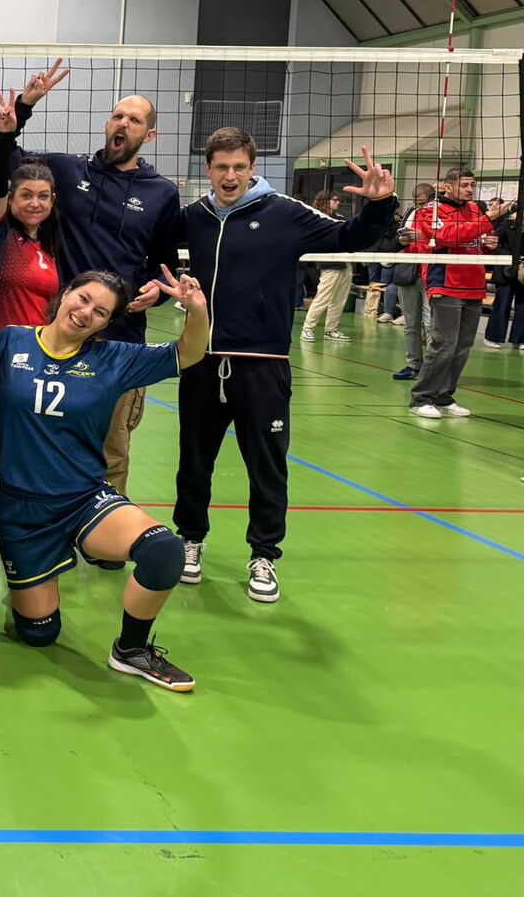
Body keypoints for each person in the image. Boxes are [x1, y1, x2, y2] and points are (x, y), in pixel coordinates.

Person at [166, 130, 397, 603]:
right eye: (221, 167)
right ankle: (190, 539)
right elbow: (153, 251)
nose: (230, 176)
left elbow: (348, 238)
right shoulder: (194, 217)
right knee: (193, 460)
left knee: (267, 466)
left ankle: (264, 554)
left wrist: (378, 205)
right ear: (208, 170)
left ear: (252, 169)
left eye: (239, 167)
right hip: (202, 360)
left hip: (263, 364)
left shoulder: (285, 212)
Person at [0, 267, 207, 691]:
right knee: (39, 633)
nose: (86, 313)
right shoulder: (12, 342)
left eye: (100, 312)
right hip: (23, 512)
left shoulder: (113, 358)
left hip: (84, 499)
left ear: (105, 324)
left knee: (164, 552)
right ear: (66, 293)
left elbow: (188, 353)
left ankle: (131, 649)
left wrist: (197, 310)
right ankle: (34, 583)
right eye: (83, 299)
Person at [0, 59, 182, 496]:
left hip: (120, 340)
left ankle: (107, 521)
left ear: (149, 135)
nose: (123, 123)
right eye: (117, 116)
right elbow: (1, 159)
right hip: (57, 334)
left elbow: (164, 266)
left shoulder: (162, 192)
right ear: (106, 124)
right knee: (44, 439)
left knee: (111, 450)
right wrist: (23, 108)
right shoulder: (67, 170)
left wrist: (155, 293)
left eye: (134, 120)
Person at [0, 92, 62, 359]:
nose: (35, 203)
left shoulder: (49, 245)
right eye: (26, 195)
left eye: (43, 196)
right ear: (10, 199)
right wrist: (6, 135)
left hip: (37, 353)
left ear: (52, 201)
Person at [408, 168, 504, 418]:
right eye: (464, 185)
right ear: (448, 186)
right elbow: (449, 237)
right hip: (446, 283)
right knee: (444, 345)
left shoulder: (473, 209)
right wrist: (488, 219)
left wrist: (488, 245)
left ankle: (444, 396)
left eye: (472, 185)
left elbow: (475, 242)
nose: (470, 190)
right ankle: (421, 398)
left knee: (462, 347)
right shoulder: (431, 210)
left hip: (473, 285)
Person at [391, 183, 436, 380]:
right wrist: (401, 240)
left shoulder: (439, 214)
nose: (419, 206)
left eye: (423, 202)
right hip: (408, 271)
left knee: (431, 324)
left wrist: (424, 236)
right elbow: (396, 240)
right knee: (410, 324)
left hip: (430, 273)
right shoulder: (410, 212)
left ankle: (433, 369)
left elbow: (446, 240)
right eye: (416, 202)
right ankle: (413, 365)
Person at [300, 190, 352, 343]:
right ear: (325, 201)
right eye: (335, 200)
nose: (338, 203)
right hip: (328, 263)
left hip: (345, 261)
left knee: (340, 299)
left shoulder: (340, 218)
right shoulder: (316, 218)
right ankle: (307, 328)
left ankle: (331, 329)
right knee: (323, 297)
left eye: (338, 200)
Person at [482, 199, 522, 350]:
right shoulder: (507, 223)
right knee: (502, 304)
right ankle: (492, 337)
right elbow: (493, 244)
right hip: (506, 270)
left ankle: (519, 339)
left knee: (522, 306)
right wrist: (508, 259)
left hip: (523, 272)